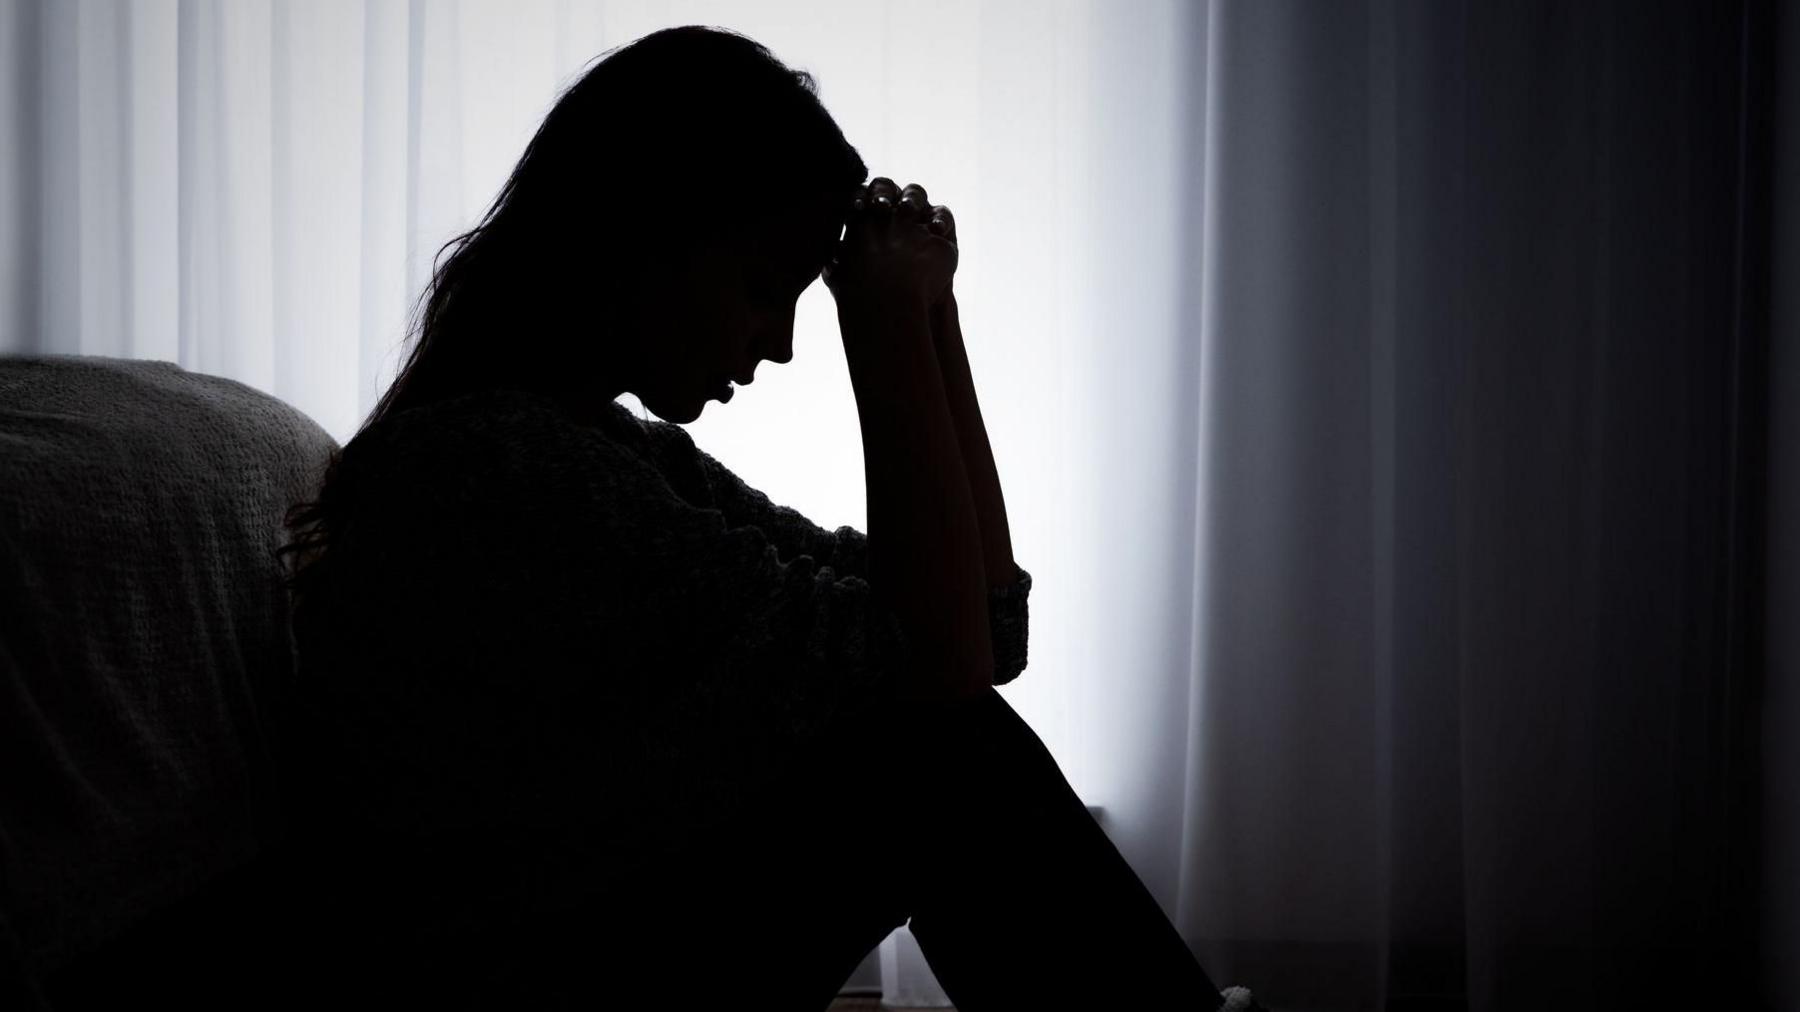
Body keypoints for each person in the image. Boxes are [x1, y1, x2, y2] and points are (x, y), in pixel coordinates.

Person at [269, 24, 1263, 1012]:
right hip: (503, 983)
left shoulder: (613, 454)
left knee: (935, 739)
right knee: (928, 755)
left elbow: (980, 628)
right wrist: (883, 338)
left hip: (584, 946)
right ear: (648, 242)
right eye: (761, 290)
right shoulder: (499, 470)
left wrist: (929, 321)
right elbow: (942, 661)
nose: (782, 344)